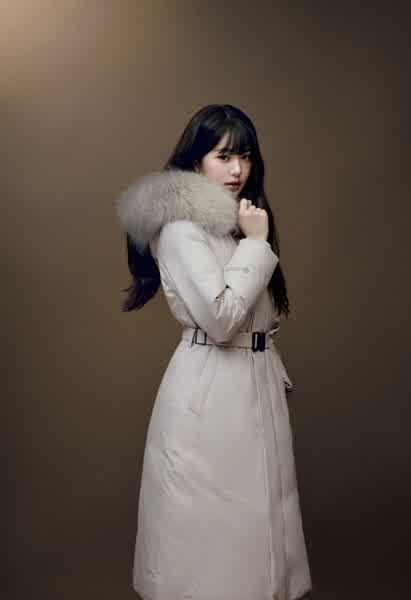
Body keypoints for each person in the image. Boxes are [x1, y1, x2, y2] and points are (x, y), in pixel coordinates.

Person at [115, 104, 312, 600]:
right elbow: (222, 320)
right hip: (211, 396)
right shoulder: (181, 229)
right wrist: (257, 245)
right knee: (213, 538)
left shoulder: (234, 225)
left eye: (245, 156)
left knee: (258, 531)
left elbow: (259, 317)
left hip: (252, 385)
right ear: (195, 160)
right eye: (223, 156)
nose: (237, 169)